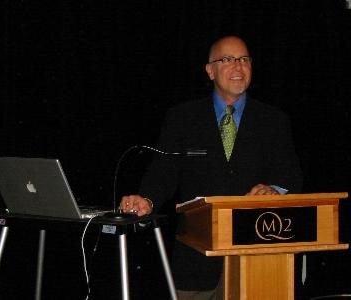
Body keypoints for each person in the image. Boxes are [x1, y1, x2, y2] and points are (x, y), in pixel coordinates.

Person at [119, 36, 303, 299]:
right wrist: (146, 198)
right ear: (210, 70)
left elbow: (291, 174)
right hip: (195, 261)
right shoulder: (182, 118)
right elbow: (164, 171)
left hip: (256, 258)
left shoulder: (274, 120)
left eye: (244, 60)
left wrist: (273, 189)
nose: (238, 67)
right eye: (227, 60)